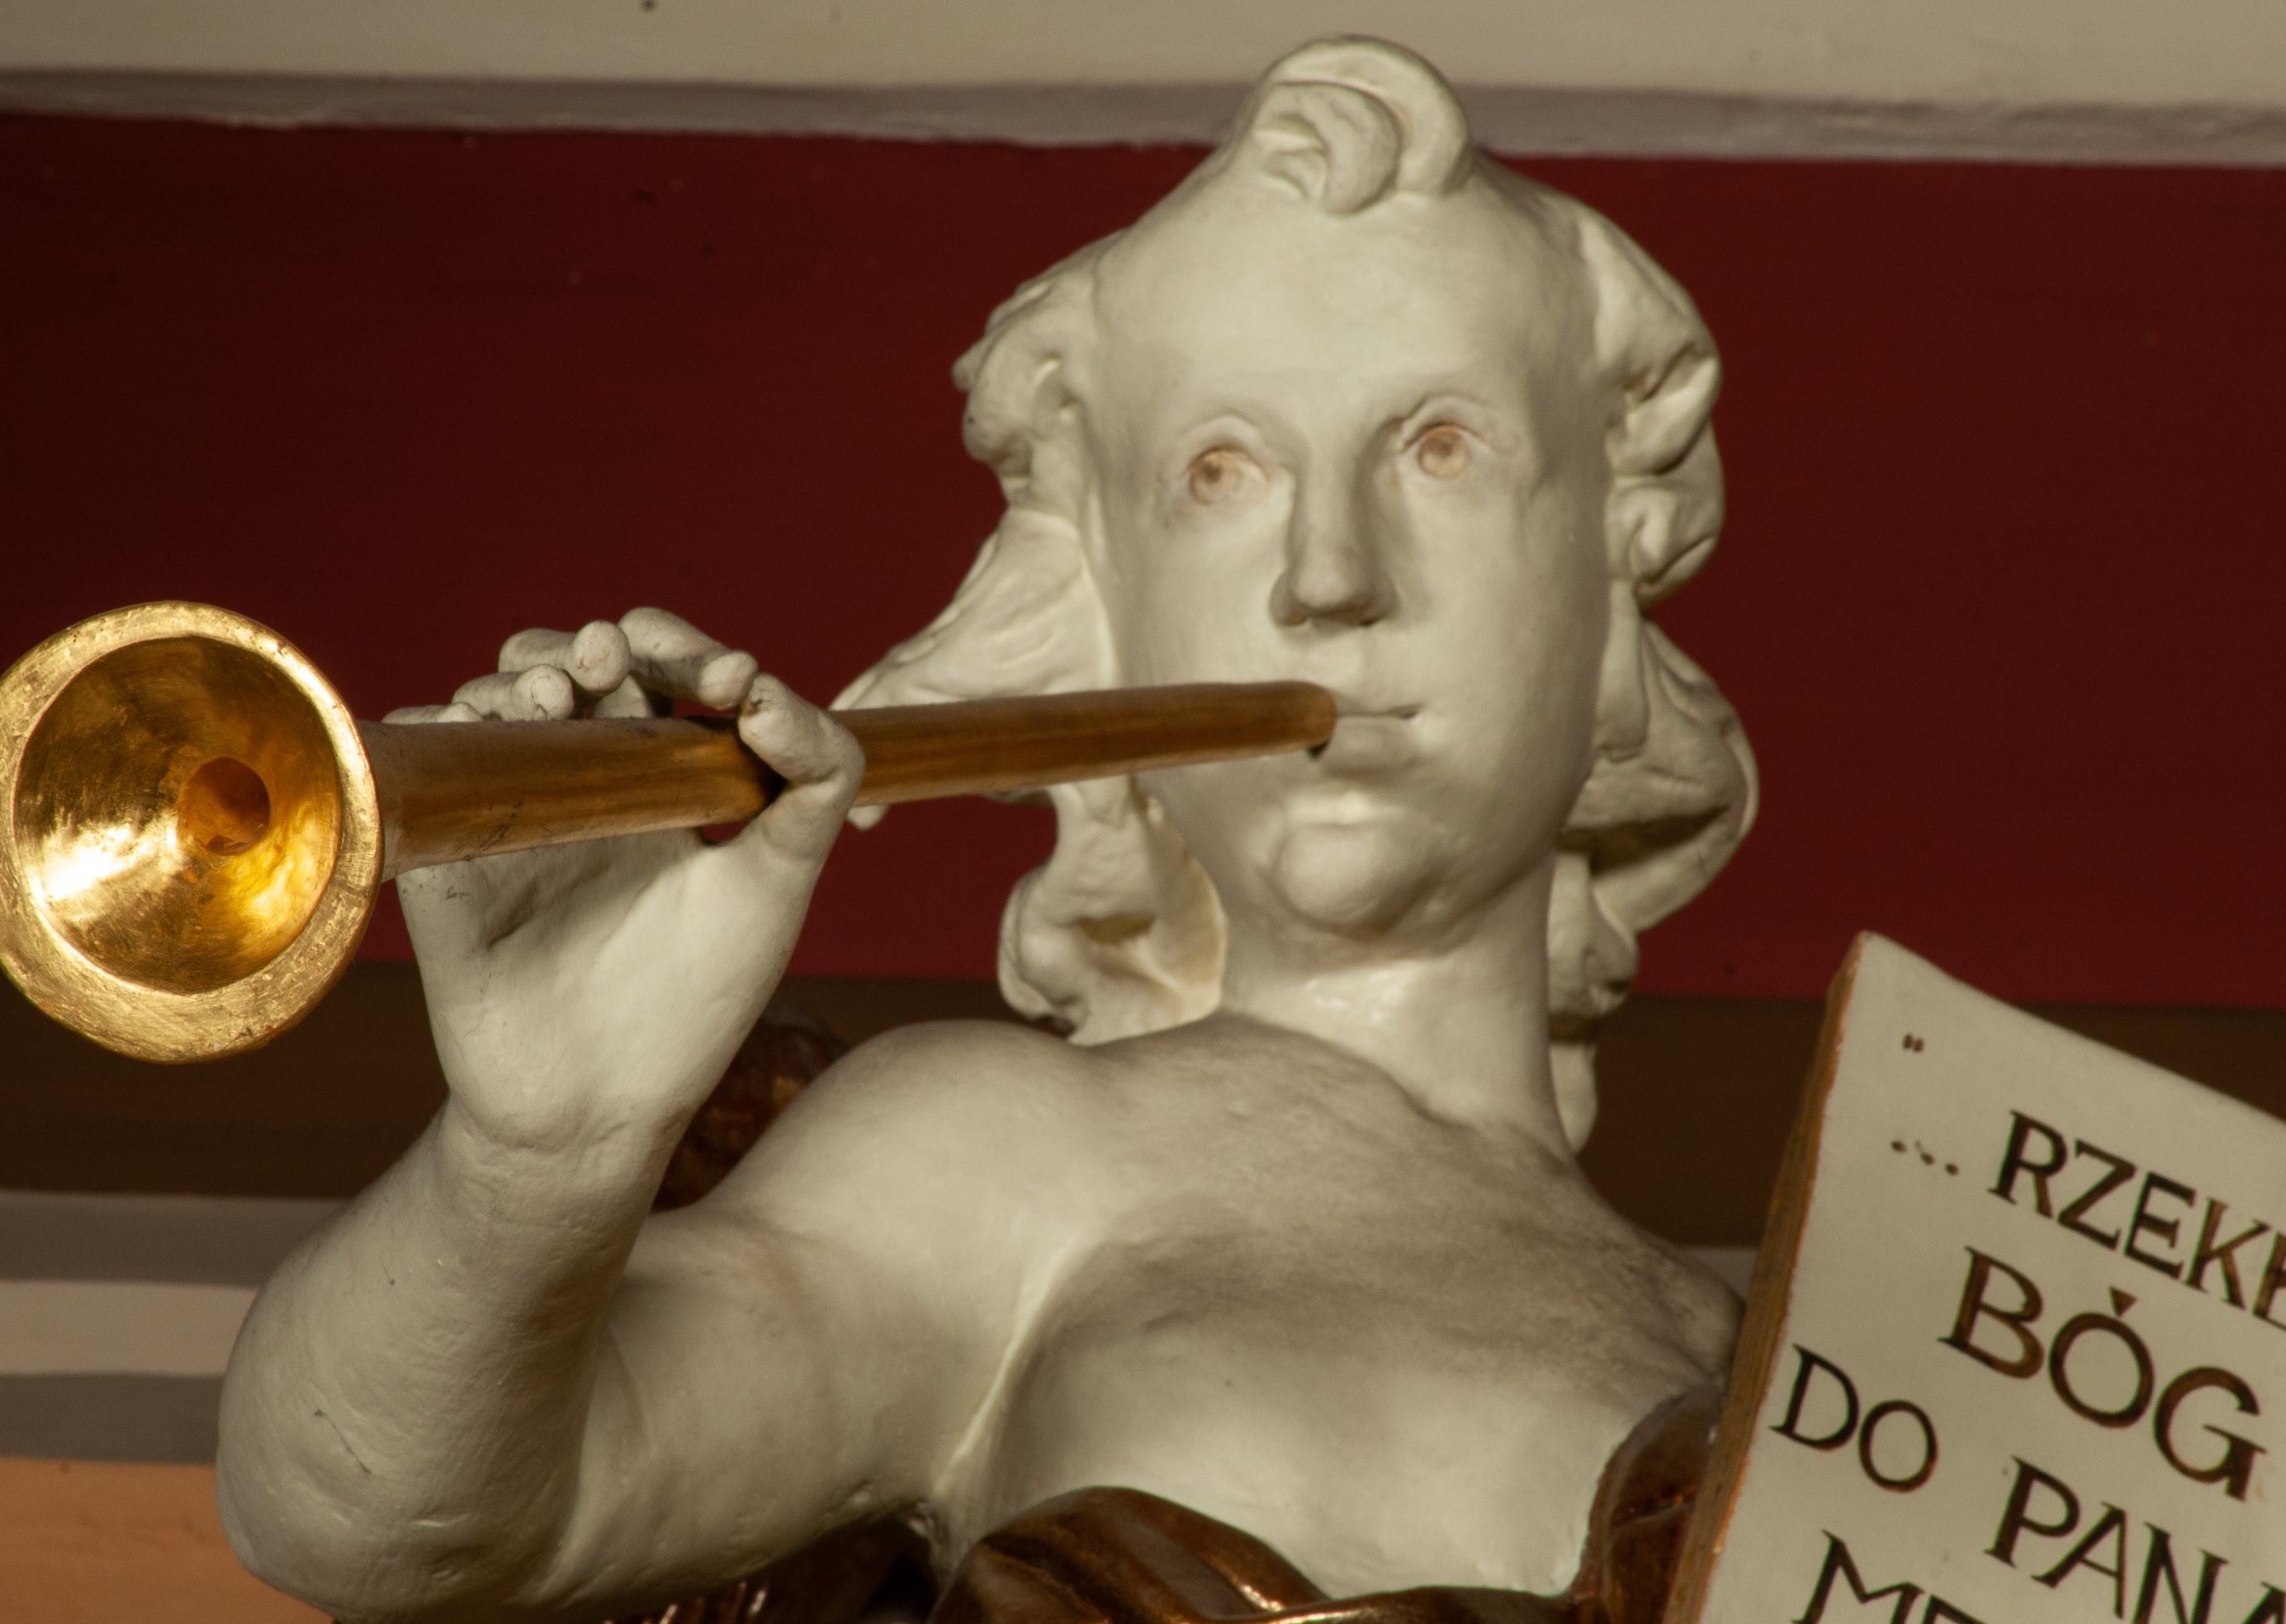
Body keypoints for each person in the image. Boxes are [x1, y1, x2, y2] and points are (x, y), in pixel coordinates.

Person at [216, 38, 1758, 1624]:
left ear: (1612, 569)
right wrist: (538, 1156)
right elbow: (361, 1518)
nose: (1329, 576)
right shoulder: (1007, 1160)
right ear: (1109, 611)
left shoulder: (1784, 1372)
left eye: (1441, 448)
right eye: (1220, 473)